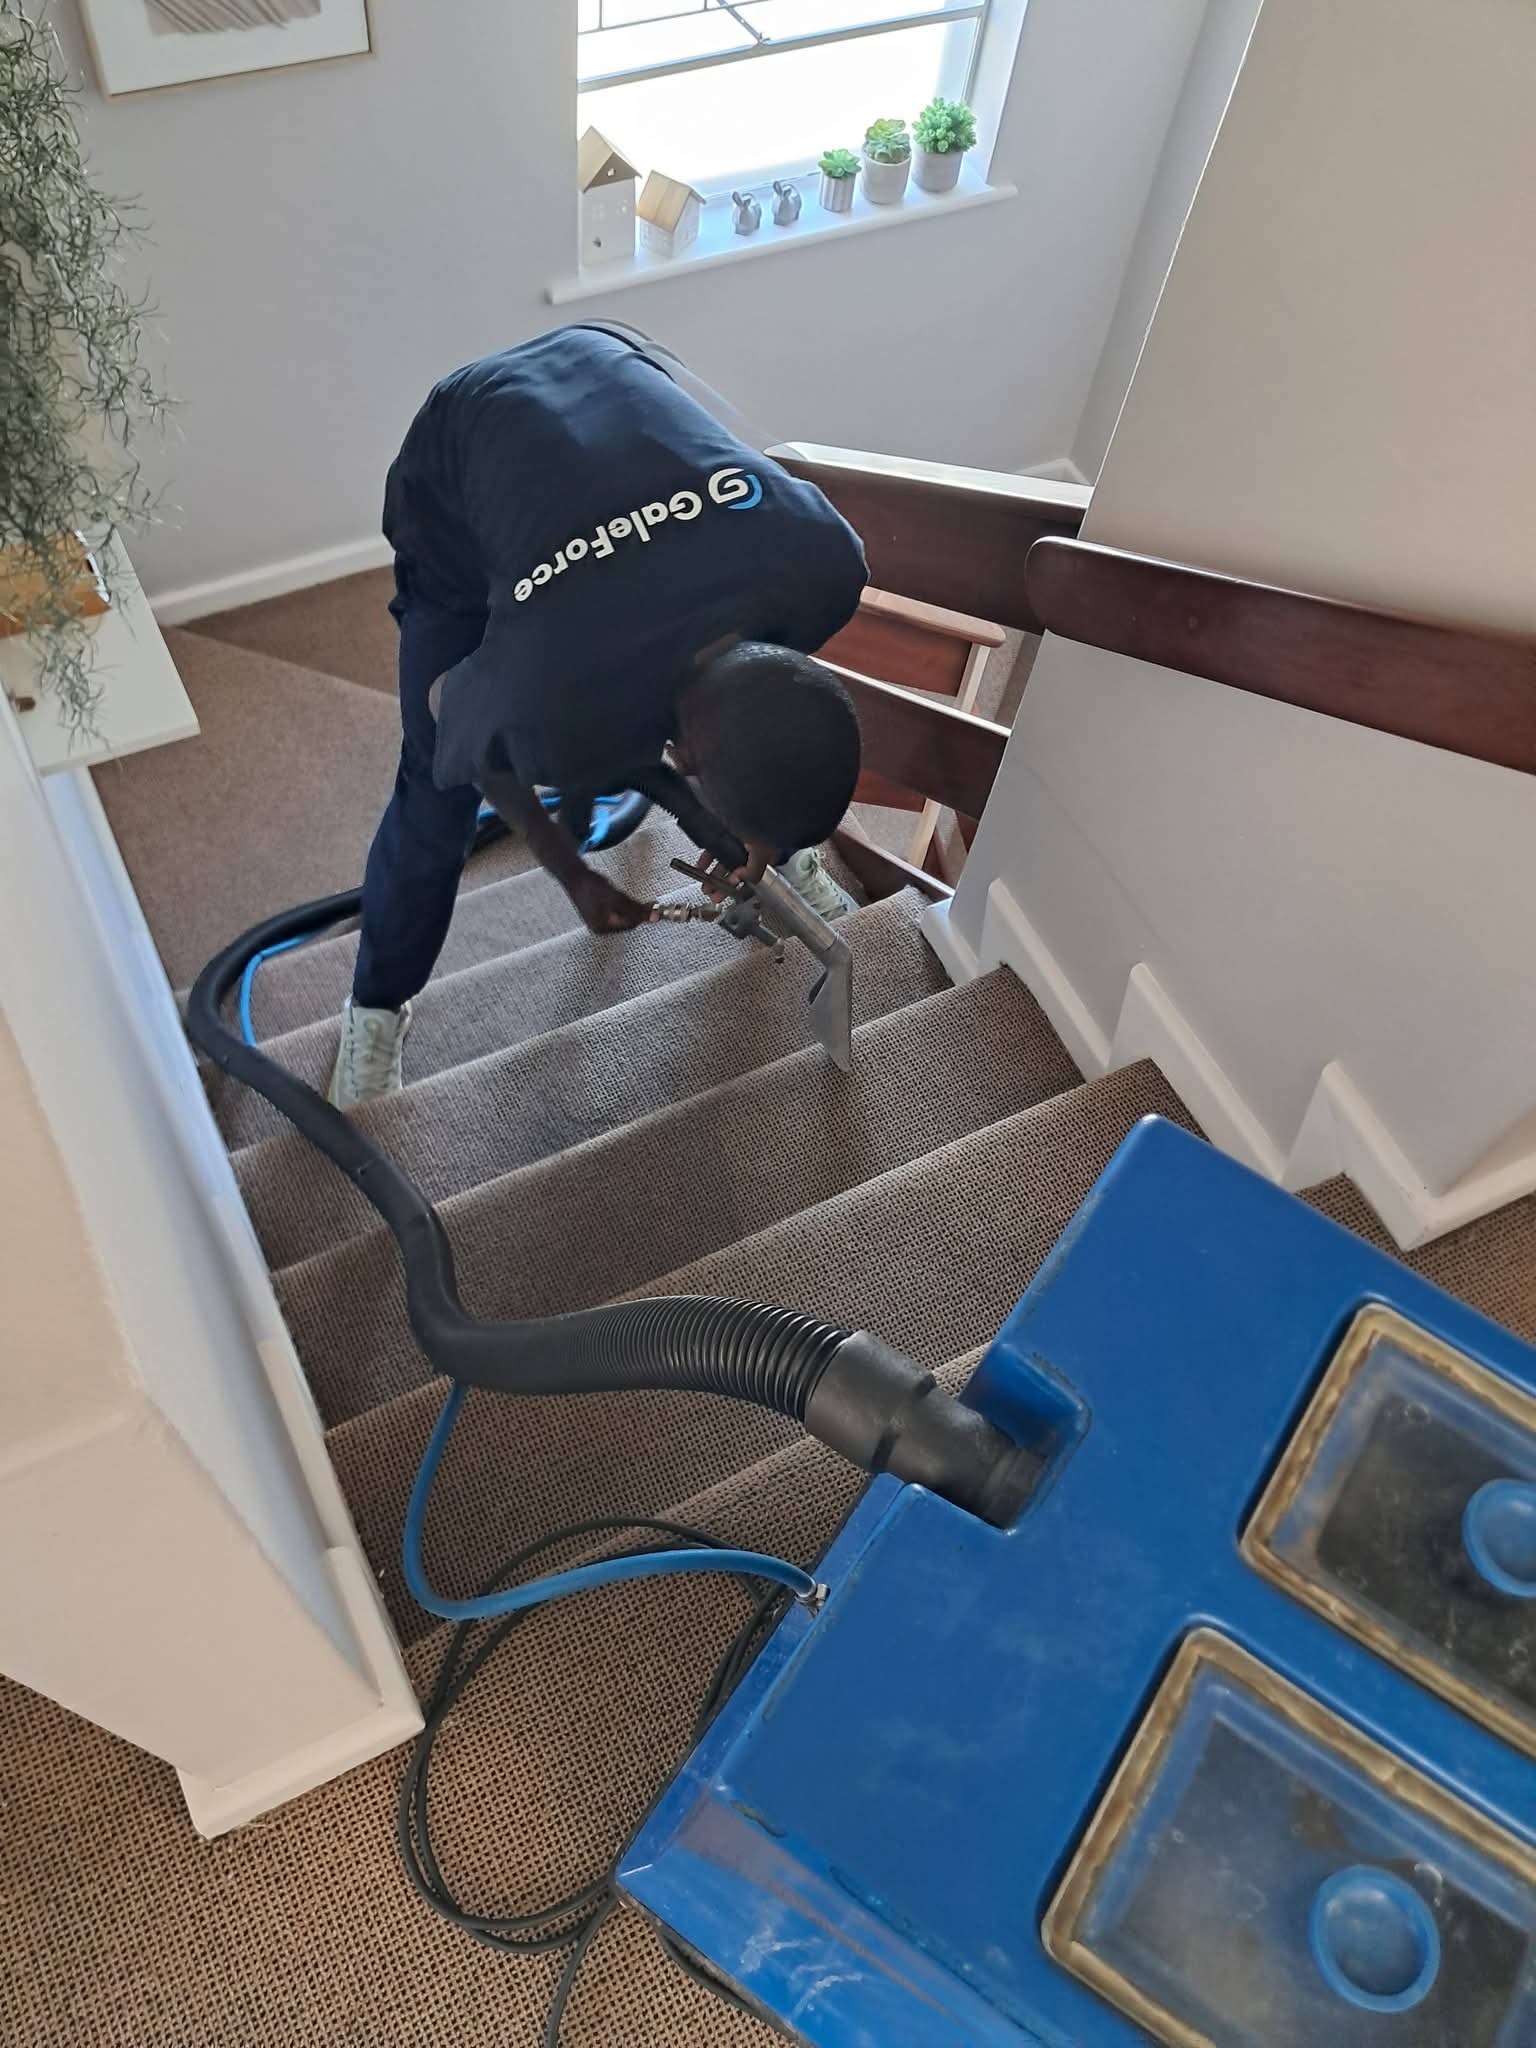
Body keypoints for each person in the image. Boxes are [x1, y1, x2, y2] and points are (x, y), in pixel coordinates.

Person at [329, 323, 869, 1111]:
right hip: (461, 446)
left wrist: (748, 823)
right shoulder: (551, 696)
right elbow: (461, 726)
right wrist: (569, 869)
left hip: (606, 371)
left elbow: (755, 718)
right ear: (679, 760)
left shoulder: (827, 564)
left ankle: (785, 852)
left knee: (743, 741)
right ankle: (375, 1007)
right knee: (429, 785)